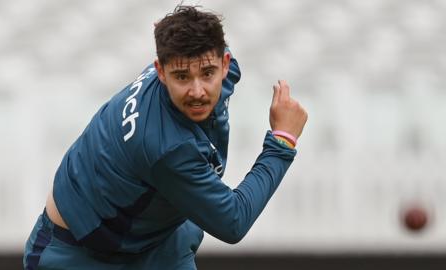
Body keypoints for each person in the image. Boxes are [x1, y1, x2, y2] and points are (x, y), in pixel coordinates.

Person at [23, 5, 307, 270]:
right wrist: (282, 142)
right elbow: (233, 221)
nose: (198, 91)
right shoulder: (166, 146)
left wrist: (176, 27)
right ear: (160, 71)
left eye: (207, 73)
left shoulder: (214, 66)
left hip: (154, 241)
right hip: (77, 253)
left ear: (224, 63)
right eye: (182, 77)